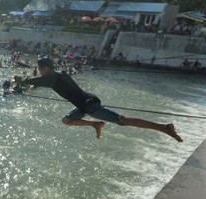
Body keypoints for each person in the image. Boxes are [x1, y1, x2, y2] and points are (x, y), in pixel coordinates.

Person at [20, 58, 183, 142]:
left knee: (123, 120)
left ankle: (165, 128)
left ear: (45, 68)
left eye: (41, 69)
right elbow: (42, 82)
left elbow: (31, 80)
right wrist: (35, 85)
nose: (40, 72)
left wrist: (19, 80)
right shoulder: (60, 75)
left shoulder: (51, 77)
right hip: (85, 104)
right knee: (67, 120)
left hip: (89, 106)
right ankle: (96, 124)